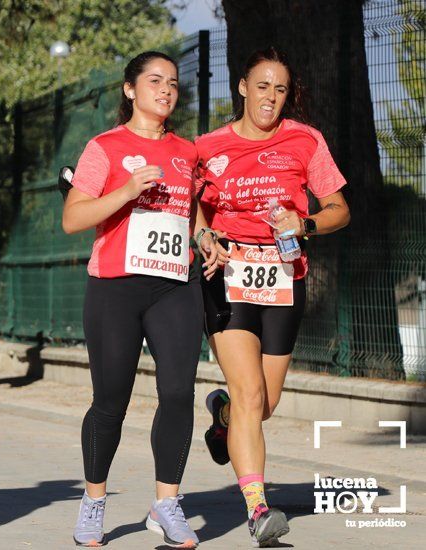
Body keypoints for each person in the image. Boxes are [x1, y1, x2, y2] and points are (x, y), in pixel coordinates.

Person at [195, 46, 351, 547]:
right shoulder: (209, 146)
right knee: (249, 393)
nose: (271, 97)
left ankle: (222, 415)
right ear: (242, 87)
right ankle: (258, 509)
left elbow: (339, 210)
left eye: (280, 89)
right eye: (262, 86)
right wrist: (205, 237)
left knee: (264, 403)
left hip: (285, 275)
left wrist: (303, 223)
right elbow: (191, 209)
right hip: (229, 272)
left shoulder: (306, 141)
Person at [62, 51, 203, 548]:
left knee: (179, 393)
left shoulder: (188, 152)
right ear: (130, 90)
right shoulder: (104, 147)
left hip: (173, 284)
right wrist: (125, 190)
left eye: (172, 83)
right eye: (154, 81)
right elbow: (73, 218)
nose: (166, 90)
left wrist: (205, 238)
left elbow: (194, 211)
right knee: (110, 402)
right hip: (116, 287)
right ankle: (94, 499)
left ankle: (167, 503)